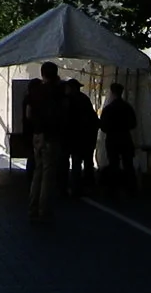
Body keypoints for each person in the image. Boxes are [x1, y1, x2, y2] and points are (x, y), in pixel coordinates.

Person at [21, 62, 65, 220]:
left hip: (37, 134)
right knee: (48, 174)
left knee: (37, 172)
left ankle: (33, 207)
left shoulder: (35, 91)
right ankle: (44, 209)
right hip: (51, 135)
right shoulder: (57, 91)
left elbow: (28, 114)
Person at [99, 83, 139, 195]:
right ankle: (131, 188)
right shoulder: (127, 107)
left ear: (112, 92)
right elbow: (133, 124)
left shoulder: (109, 109)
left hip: (112, 139)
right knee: (128, 164)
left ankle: (113, 188)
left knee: (113, 163)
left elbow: (103, 126)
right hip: (125, 137)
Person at [64, 78, 99, 196]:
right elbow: (93, 119)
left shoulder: (67, 100)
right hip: (87, 136)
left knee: (75, 162)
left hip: (73, 136)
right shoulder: (84, 99)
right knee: (87, 162)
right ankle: (89, 185)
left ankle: (75, 187)